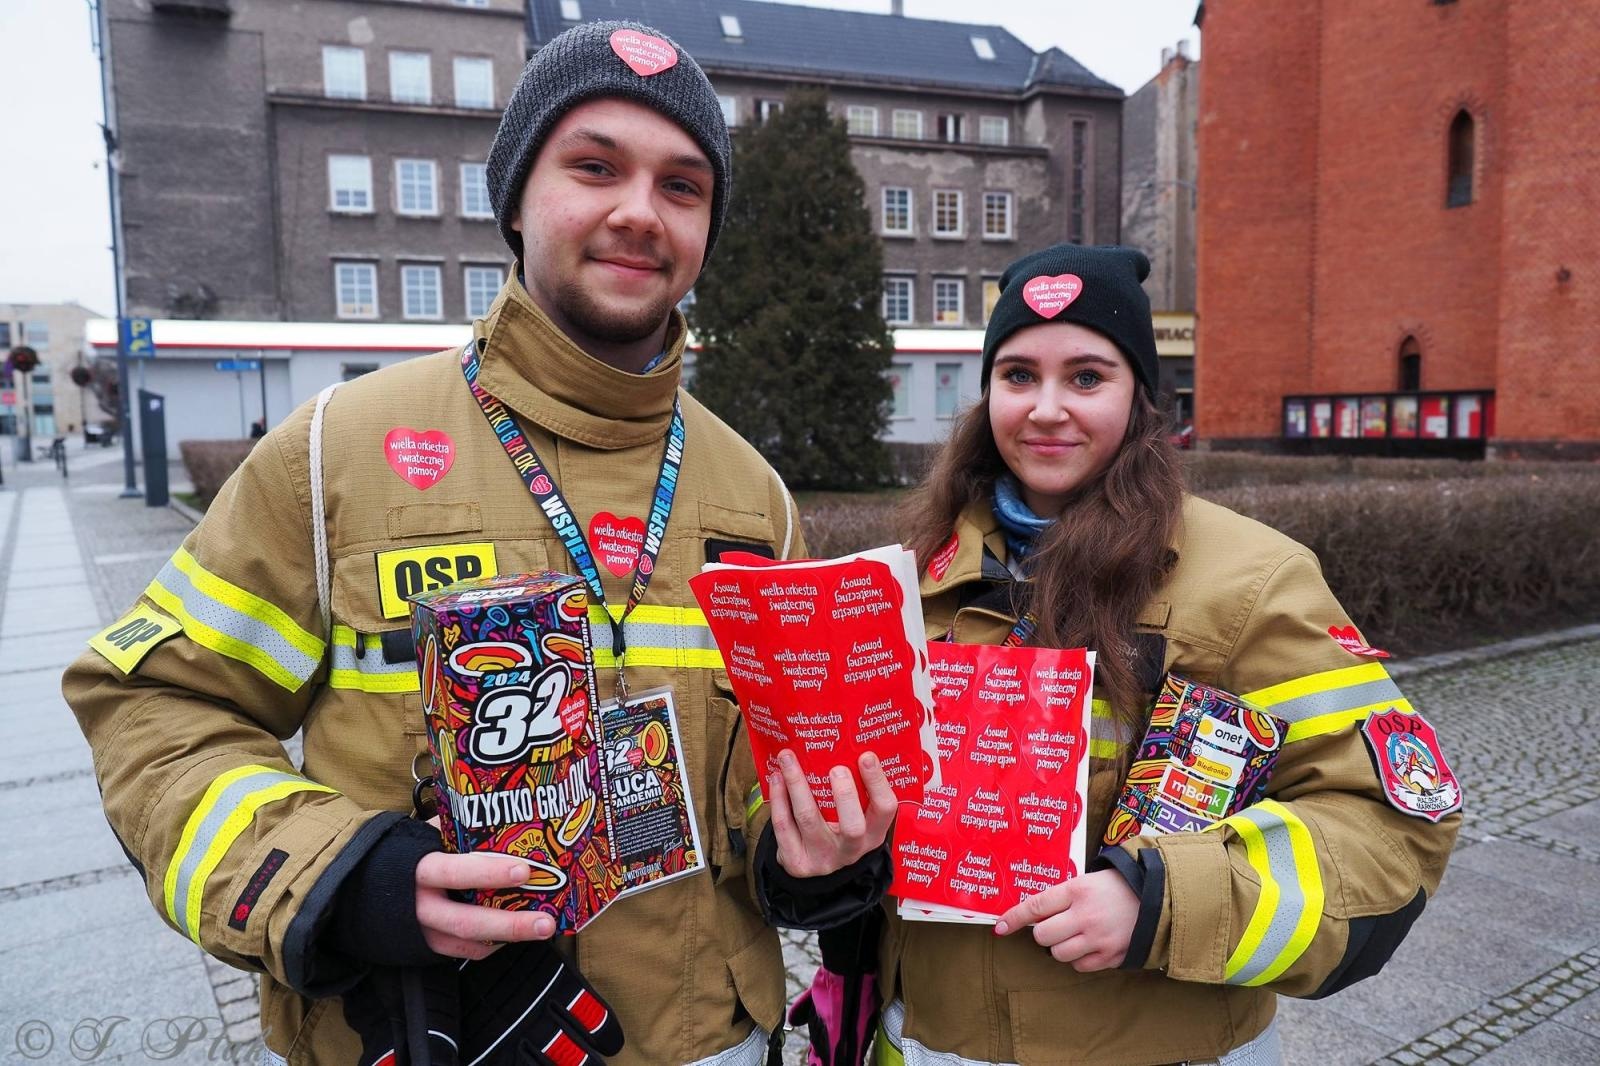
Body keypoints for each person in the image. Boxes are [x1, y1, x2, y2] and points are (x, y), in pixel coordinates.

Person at [63, 20, 893, 1066]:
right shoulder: (334, 453)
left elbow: (764, 784)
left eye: (683, 186)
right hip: (429, 1035)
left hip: (710, 1042)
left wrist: (808, 860)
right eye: (594, 167)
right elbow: (152, 705)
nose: (640, 211)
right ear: (513, 197)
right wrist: (337, 874)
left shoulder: (755, 497)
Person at [869, 244, 1461, 1064]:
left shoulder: (1254, 579)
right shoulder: (914, 571)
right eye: (1017, 375)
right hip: (927, 1041)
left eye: (1086, 376)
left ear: (1141, 398)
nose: (1046, 408)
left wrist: (1159, 900)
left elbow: (1393, 826)